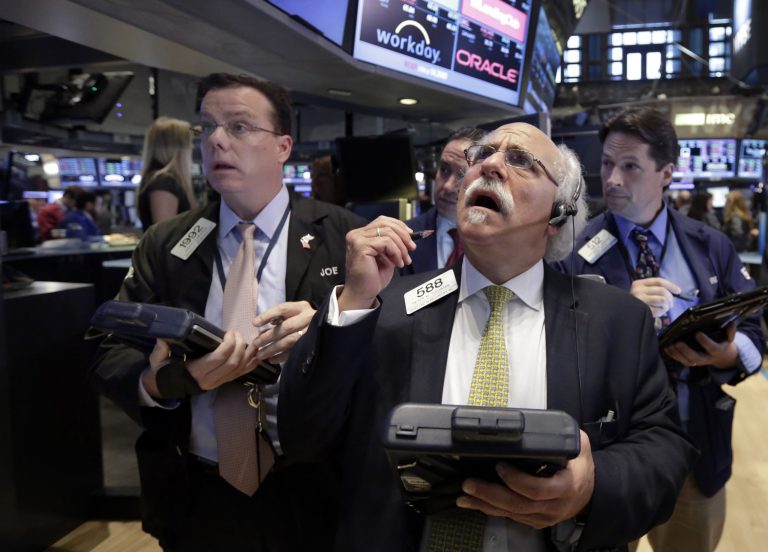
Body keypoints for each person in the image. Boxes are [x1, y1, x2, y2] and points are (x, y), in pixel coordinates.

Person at [278, 122, 695, 551]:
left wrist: (591, 486)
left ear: (560, 214)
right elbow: (302, 437)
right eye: (481, 155)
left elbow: (662, 452)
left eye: (520, 161)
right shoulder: (383, 306)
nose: (489, 165)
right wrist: (352, 304)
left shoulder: (617, 321)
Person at [89, 72, 365, 551]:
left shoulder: (346, 238)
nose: (216, 140)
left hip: (316, 488)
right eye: (207, 128)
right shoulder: (168, 242)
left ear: (283, 146)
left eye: (238, 127)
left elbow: (391, 351)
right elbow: (106, 347)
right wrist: (161, 382)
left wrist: (327, 328)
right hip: (195, 490)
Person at [556, 106, 764, 552]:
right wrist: (620, 313)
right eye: (608, 163)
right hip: (611, 453)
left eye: (630, 166)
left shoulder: (710, 246)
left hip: (696, 444)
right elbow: (556, 343)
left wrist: (728, 354)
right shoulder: (577, 250)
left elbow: (753, 329)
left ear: (667, 172)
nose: (612, 178)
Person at [403, 127, 486, 274]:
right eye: (444, 169)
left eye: (462, 176)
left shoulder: (504, 243)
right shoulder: (404, 237)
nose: (447, 186)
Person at [137, 116, 198, 231]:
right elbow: (165, 240)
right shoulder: (163, 183)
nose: (192, 147)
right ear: (176, 147)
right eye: (188, 143)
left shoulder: (163, 181)